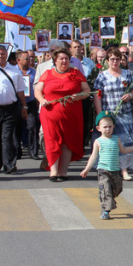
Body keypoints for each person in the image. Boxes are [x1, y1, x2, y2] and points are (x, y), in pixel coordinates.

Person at [36, 48, 91, 181]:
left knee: (68, 142)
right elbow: (38, 90)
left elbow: (87, 90)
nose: (64, 61)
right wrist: (42, 100)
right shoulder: (47, 74)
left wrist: (79, 96)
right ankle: (53, 172)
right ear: (55, 60)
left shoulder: (76, 73)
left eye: (66, 58)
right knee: (51, 141)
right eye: (61, 58)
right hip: (50, 114)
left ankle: (63, 172)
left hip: (71, 115)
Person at [80, 112, 133, 220]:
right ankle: (105, 210)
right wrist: (86, 169)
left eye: (110, 127)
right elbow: (93, 156)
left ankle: (105, 196)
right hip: (103, 170)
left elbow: (123, 150)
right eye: (105, 127)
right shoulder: (98, 141)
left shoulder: (116, 139)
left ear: (113, 127)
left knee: (117, 189)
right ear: (98, 128)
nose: (107, 129)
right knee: (107, 190)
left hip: (115, 170)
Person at [93, 48, 133, 181]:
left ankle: (124, 170)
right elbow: (97, 95)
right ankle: (109, 167)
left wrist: (130, 95)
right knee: (110, 142)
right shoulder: (102, 76)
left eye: (117, 59)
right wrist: (100, 115)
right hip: (109, 115)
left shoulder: (128, 74)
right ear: (107, 61)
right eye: (112, 59)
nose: (115, 61)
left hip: (125, 114)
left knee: (124, 142)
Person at [0, 46, 28, 175]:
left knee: (8, 137)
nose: (0, 56)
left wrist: (24, 106)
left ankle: (9, 164)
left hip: (11, 107)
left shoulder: (15, 71)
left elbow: (20, 90)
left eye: (2, 54)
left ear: (6, 55)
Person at [16, 51, 40, 160]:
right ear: (19, 60)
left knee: (32, 127)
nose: (29, 60)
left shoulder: (34, 72)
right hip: (16, 103)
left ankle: (33, 151)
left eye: (30, 58)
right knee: (17, 127)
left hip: (30, 102)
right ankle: (17, 151)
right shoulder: (14, 71)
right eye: (26, 58)